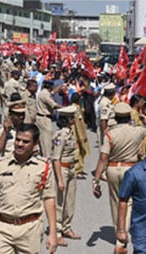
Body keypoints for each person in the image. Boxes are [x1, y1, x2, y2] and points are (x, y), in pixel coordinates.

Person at [0, 124, 59, 254]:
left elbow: (49, 199)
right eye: (18, 140)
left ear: (35, 144)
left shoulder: (43, 167)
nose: (20, 144)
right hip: (3, 228)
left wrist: (53, 233)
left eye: (25, 141)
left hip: (30, 229)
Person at [92, 102, 146, 229]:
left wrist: (96, 180)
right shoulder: (137, 131)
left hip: (113, 169)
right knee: (128, 201)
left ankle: (118, 230)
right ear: (129, 116)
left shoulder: (110, 134)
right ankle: (123, 230)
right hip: (130, 168)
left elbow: (103, 158)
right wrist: (141, 119)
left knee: (115, 202)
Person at [52, 105, 80, 246]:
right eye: (72, 117)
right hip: (62, 169)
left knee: (70, 201)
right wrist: (59, 180)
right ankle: (56, 232)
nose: (74, 119)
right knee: (60, 203)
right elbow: (56, 158)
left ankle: (66, 227)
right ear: (67, 119)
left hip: (71, 168)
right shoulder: (61, 135)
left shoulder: (70, 132)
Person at [0, 94, 27, 162]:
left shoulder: (27, 130)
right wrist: (5, 132)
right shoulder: (2, 131)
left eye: (22, 114)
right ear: (10, 115)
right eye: (18, 115)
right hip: (8, 164)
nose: (21, 117)